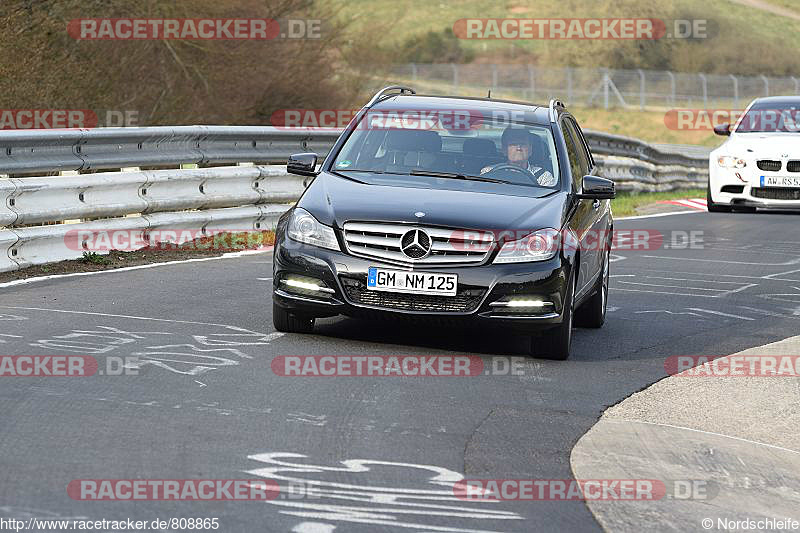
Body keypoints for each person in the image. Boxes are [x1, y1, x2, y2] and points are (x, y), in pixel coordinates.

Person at [481, 127, 556, 186]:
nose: (519, 148)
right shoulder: (489, 172)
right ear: (504, 150)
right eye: (513, 144)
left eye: (523, 144)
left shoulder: (543, 177)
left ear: (530, 150)